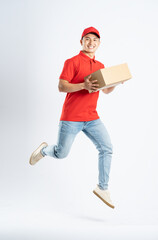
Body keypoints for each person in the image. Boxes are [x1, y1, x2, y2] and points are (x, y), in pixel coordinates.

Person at [29, 26, 116, 209]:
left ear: (99, 44)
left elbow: (106, 90)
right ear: (81, 42)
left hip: (92, 118)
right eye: (87, 39)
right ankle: (44, 150)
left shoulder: (100, 66)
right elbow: (62, 86)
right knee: (61, 153)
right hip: (71, 117)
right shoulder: (72, 62)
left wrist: (116, 82)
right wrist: (83, 85)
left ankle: (103, 188)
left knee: (107, 148)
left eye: (95, 40)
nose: (91, 43)